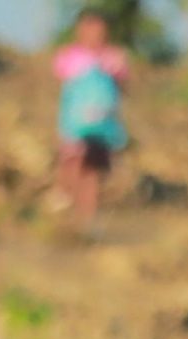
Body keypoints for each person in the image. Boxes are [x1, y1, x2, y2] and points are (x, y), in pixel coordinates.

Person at [52, 7, 129, 227]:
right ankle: (69, 211)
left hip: (104, 127)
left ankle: (87, 218)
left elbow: (123, 88)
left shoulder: (115, 58)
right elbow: (64, 90)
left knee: (93, 172)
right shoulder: (69, 57)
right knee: (73, 165)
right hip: (74, 126)